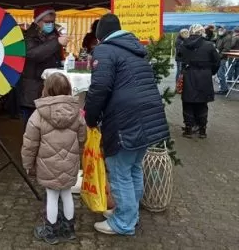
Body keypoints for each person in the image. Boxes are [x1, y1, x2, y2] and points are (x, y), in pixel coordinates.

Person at [84, 13, 170, 236]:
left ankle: (124, 222)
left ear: (100, 34)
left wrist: (90, 118)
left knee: (120, 172)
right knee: (133, 168)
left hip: (125, 119)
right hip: (148, 119)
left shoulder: (105, 50)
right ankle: (130, 214)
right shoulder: (136, 50)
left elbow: (99, 89)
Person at [21, 73, 86, 245]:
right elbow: (82, 138)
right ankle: (69, 229)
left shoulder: (38, 115)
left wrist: (28, 164)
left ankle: (50, 230)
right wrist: (77, 154)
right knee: (66, 194)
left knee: (51, 195)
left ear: (46, 90)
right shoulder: (77, 112)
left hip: (47, 165)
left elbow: (30, 144)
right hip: (70, 163)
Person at [20, 7, 70, 128]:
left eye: (53, 21)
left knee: (48, 127)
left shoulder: (54, 34)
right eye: (47, 22)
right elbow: (33, 54)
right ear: (38, 21)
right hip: (32, 88)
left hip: (49, 88)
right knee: (31, 126)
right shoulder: (29, 36)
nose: (51, 24)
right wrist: (56, 43)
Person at [179, 24, 220, 138]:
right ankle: (202, 130)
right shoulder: (209, 45)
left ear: (191, 32)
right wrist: (210, 72)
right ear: (202, 32)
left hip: (189, 74)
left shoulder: (184, 44)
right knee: (202, 103)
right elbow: (217, 62)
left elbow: (179, 58)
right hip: (204, 76)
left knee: (188, 103)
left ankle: (188, 129)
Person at [215, 26, 232, 95]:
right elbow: (217, 45)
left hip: (222, 58)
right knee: (220, 73)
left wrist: (218, 57)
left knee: (220, 73)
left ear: (225, 29)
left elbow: (226, 49)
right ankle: (223, 88)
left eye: (222, 29)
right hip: (219, 57)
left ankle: (224, 89)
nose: (220, 30)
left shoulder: (227, 37)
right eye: (219, 29)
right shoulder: (220, 36)